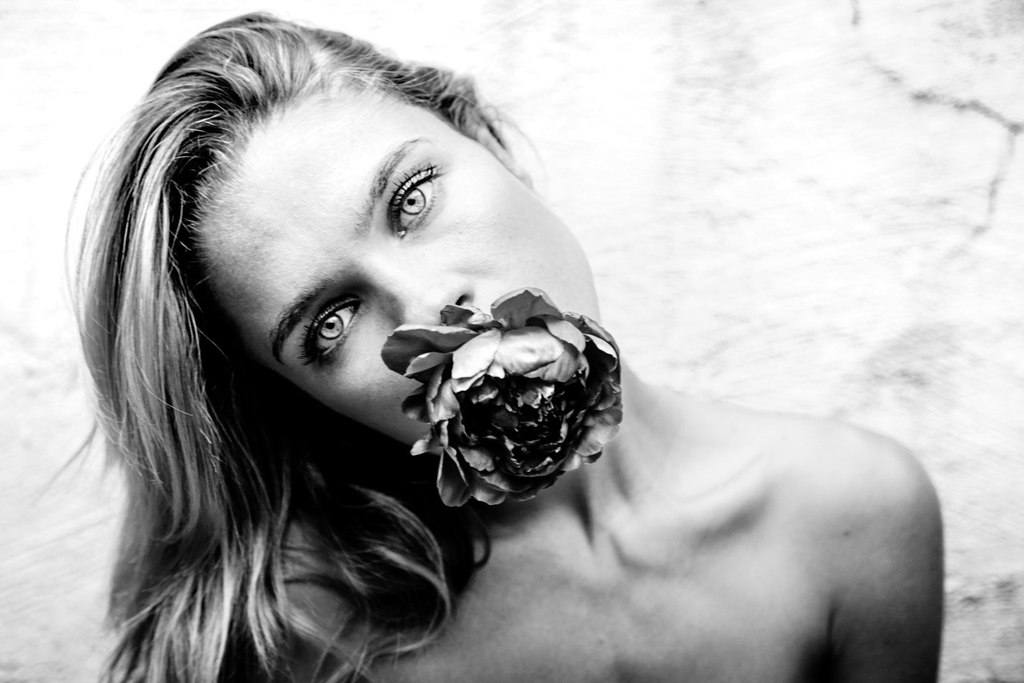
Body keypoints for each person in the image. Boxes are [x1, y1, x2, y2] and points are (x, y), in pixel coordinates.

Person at [75, 12, 944, 683]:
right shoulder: (306, 642)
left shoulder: (855, 512)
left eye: (412, 197)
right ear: (306, 400)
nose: (429, 304)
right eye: (330, 323)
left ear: (485, 139)